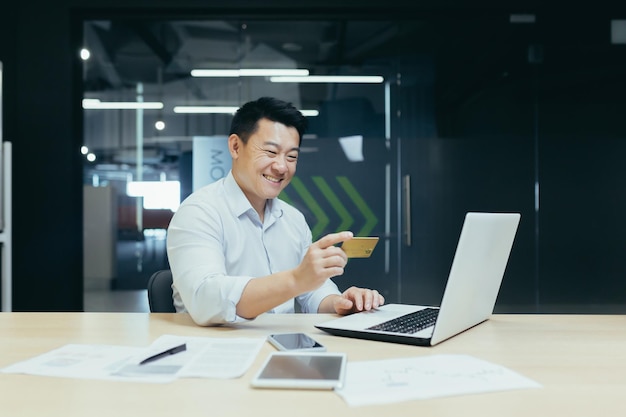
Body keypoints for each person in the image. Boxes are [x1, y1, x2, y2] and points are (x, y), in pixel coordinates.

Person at [166, 96, 384, 326]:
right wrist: (296, 279)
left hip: (287, 352)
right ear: (235, 147)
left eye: (291, 157)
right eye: (270, 152)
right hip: (223, 354)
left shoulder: (293, 219)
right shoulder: (199, 212)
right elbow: (205, 300)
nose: (281, 167)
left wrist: (341, 303)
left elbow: (313, 292)